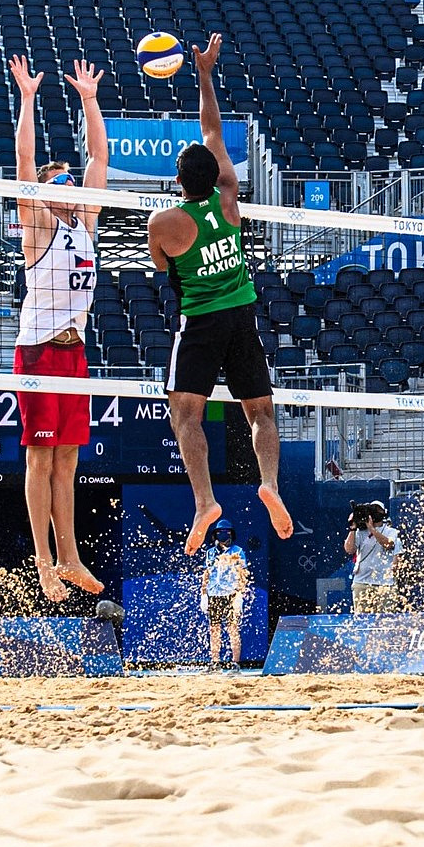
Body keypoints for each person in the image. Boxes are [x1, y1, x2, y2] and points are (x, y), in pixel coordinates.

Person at [146, 32, 291, 554]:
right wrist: (205, 74)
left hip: (201, 320)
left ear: (178, 180)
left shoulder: (164, 222)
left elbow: (161, 266)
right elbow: (212, 129)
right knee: (261, 414)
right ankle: (270, 484)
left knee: (185, 416)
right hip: (242, 314)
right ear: (214, 174)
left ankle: (205, 501)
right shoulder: (230, 196)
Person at [9, 53, 110, 603]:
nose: (72, 183)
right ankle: (44, 562)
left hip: (75, 352)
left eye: (72, 179)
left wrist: (90, 101)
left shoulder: (85, 221)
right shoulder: (38, 223)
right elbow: (25, 162)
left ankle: (69, 556)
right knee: (41, 458)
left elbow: (99, 156)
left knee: (69, 460)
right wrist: (28, 98)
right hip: (39, 352)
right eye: (61, 180)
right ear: (48, 191)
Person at [199, 522, 249, 670]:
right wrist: (203, 594)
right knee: (214, 629)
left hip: (231, 594)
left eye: (226, 532)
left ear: (231, 534)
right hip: (214, 594)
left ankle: (235, 663)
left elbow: (243, 574)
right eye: (220, 532)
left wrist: (239, 594)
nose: (223, 535)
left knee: (232, 628)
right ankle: (215, 662)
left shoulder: (238, 551)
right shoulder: (210, 553)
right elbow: (206, 574)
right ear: (215, 534)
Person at [344, 501, 401, 614]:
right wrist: (352, 528)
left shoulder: (391, 531)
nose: (375, 512)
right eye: (372, 509)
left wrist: (372, 529)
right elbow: (349, 550)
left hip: (385, 584)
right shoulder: (360, 532)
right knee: (362, 620)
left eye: (377, 509)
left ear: (383, 513)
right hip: (362, 582)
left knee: (386, 620)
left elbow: (388, 544)